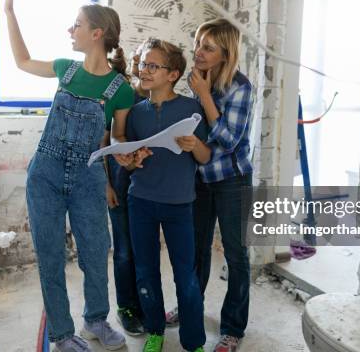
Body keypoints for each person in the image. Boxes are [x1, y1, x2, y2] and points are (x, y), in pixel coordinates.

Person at [4, 0, 130, 351]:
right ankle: (61, 334)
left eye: (76, 24)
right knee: (51, 256)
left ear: (97, 33)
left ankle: (96, 321)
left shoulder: (120, 88)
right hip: (45, 174)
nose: (70, 30)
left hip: (89, 179)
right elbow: (22, 61)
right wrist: (10, 13)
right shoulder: (66, 70)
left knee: (94, 252)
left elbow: (115, 140)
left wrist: (125, 158)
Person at [115, 38, 209, 352]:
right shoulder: (136, 112)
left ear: (172, 74)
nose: (144, 70)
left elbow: (206, 158)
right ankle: (155, 330)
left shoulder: (191, 108)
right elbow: (131, 159)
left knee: (186, 275)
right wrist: (131, 161)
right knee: (145, 270)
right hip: (140, 201)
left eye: (153, 65)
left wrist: (195, 145)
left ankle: (193, 342)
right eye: (142, 64)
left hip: (180, 204)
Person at [166, 18, 254, 352]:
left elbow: (229, 140)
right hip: (201, 179)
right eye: (198, 43)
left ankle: (232, 328)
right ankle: (191, 307)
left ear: (225, 54)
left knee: (236, 255)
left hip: (233, 180)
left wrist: (203, 97)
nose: (198, 51)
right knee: (196, 250)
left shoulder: (240, 87)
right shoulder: (198, 80)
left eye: (208, 47)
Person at [104, 42, 149, 336]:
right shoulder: (124, 96)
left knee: (144, 250)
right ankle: (126, 308)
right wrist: (107, 183)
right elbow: (105, 142)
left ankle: (145, 304)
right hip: (120, 185)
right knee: (124, 252)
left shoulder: (162, 101)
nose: (140, 68)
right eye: (136, 62)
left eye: (144, 62)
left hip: (149, 190)